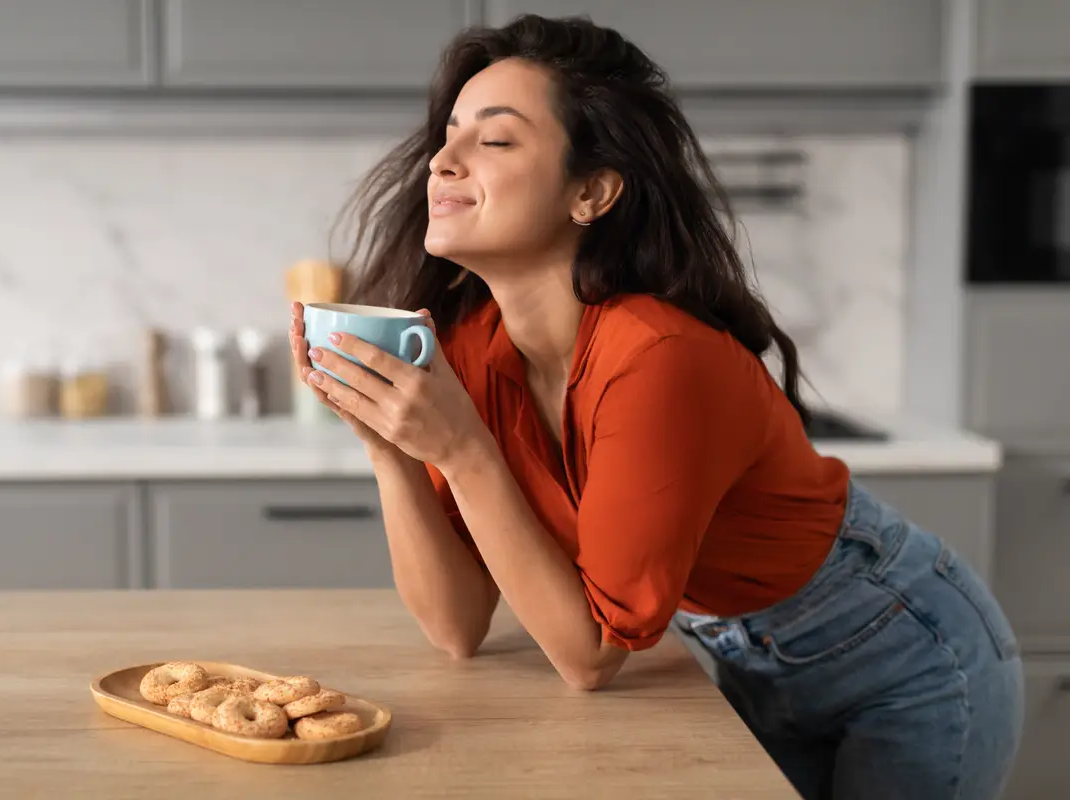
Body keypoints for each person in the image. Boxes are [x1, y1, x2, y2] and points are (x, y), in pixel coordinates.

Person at [287, 14, 1023, 800]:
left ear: (592, 192)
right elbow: (458, 628)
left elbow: (590, 656)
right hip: (748, 660)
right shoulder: (470, 349)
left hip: (906, 654)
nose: (442, 159)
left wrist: (463, 452)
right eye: (449, 133)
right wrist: (389, 447)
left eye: (493, 141)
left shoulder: (657, 359)